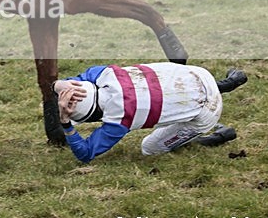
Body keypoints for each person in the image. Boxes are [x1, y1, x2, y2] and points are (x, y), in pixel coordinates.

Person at [55, 63, 247, 162]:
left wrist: (66, 124)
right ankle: (229, 83)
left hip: (208, 109)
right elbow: (78, 81)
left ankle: (216, 137)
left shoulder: (118, 122)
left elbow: (85, 154)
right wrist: (58, 84)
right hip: (198, 74)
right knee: (160, 87)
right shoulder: (103, 73)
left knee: (150, 148)